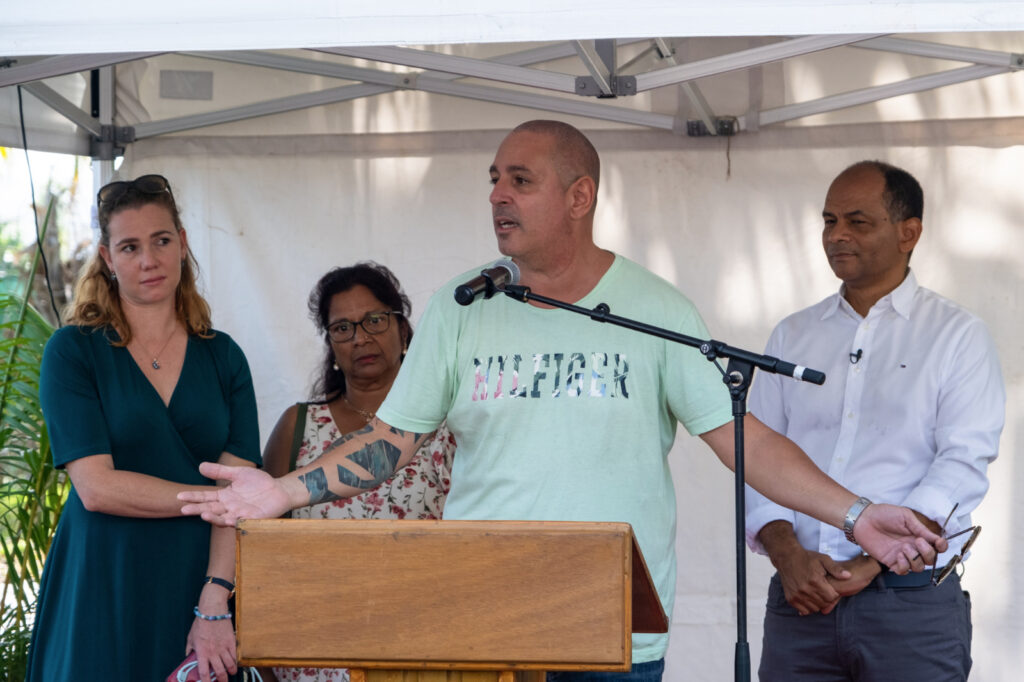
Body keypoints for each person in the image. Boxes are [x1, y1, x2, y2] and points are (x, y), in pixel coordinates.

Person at [180, 122, 947, 682]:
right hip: (482, 625)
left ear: (579, 196)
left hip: (611, 628)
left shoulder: (657, 310)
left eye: (520, 179)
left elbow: (743, 439)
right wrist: (278, 491)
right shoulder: (461, 304)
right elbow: (390, 441)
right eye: (493, 178)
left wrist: (854, 513)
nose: (496, 194)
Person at [744, 161, 1005, 681]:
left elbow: (961, 466)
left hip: (909, 603)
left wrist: (872, 564)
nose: (836, 235)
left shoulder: (956, 335)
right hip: (802, 600)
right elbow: (757, 457)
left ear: (909, 233)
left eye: (857, 222)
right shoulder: (792, 335)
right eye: (828, 220)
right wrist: (788, 554)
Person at [26, 174, 261, 682]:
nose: (148, 260)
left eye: (161, 240)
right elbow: (96, 487)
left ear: (182, 243)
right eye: (129, 247)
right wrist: (214, 500)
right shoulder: (73, 352)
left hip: (198, 583)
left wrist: (216, 598)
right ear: (109, 259)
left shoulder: (225, 357)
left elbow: (240, 486)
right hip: (102, 576)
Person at [259, 263, 456, 682]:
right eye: (342, 328)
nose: (361, 337)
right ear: (330, 345)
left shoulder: (448, 427)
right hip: (310, 656)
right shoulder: (297, 427)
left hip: (421, 654)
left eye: (375, 320)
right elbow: (263, 558)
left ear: (403, 330)